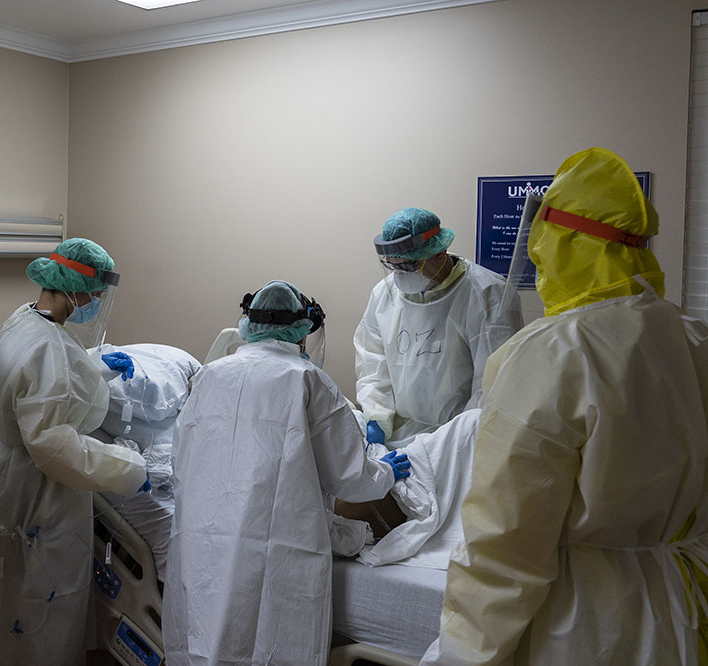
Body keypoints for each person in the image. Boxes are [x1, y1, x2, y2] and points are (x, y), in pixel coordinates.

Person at [420, 147, 708, 666]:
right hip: (684, 604)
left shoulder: (553, 353)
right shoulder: (691, 338)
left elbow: (505, 543)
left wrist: (459, 655)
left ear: (559, 240)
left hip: (587, 621)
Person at [163, 280, 411, 666]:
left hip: (204, 538)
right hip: (275, 543)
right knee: (265, 641)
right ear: (303, 329)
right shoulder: (307, 380)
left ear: (249, 324)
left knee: (203, 636)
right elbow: (350, 477)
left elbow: (182, 460)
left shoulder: (210, 375)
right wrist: (385, 474)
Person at [0, 238, 148, 665]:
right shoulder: (48, 347)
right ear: (74, 285)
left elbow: (43, 382)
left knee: (1, 601)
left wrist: (98, 368)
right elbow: (54, 446)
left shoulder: (24, 319)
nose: (98, 300)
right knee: (39, 606)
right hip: (35, 489)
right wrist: (130, 468)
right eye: (96, 290)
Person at [354, 207, 522, 444]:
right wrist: (377, 417)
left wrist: (455, 441)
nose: (400, 275)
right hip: (400, 432)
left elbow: (492, 386)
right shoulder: (384, 294)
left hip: (459, 437)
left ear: (439, 253)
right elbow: (372, 362)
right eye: (393, 266)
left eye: (409, 266)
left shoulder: (487, 294)